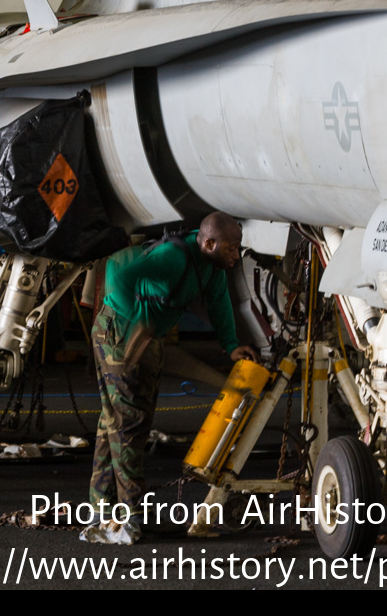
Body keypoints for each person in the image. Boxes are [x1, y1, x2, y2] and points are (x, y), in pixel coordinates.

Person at [83, 212, 257, 544]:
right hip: (119, 331)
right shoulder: (173, 258)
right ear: (209, 243)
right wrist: (134, 326)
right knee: (128, 423)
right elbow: (119, 282)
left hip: (146, 337)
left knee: (118, 421)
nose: (236, 257)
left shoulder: (211, 265)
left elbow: (220, 304)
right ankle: (130, 516)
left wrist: (231, 346)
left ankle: (101, 509)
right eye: (233, 249)